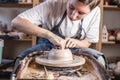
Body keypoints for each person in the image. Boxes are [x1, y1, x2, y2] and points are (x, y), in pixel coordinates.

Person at [11, 0, 107, 68]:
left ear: (90, 11)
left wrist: (76, 42)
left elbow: (87, 42)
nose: (73, 16)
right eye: (71, 7)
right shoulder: (53, 4)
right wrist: (49, 35)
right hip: (47, 47)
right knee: (21, 60)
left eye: (81, 13)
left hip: (75, 50)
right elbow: (16, 22)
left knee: (99, 59)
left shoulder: (95, 12)